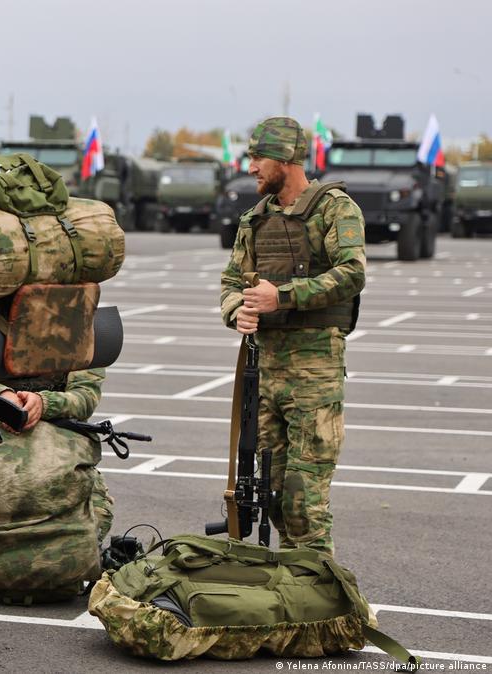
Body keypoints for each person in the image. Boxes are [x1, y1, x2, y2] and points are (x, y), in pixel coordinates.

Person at [220, 116, 366, 556]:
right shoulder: (255, 219)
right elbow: (230, 283)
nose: (250, 167)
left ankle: (323, 601)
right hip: (265, 375)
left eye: (257, 157)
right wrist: (238, 311)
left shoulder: (335, 208)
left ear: (285, 158)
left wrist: (280, 296)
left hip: (314, 374)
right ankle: (291, 593)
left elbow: (352, 273)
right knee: (273, 496)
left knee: (305, 502)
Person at [0, 367, 114, 544]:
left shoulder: (81, 341)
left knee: (97, 516)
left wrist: (44, 403)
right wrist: (1, 396)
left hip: (58, 450)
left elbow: (85, 396)